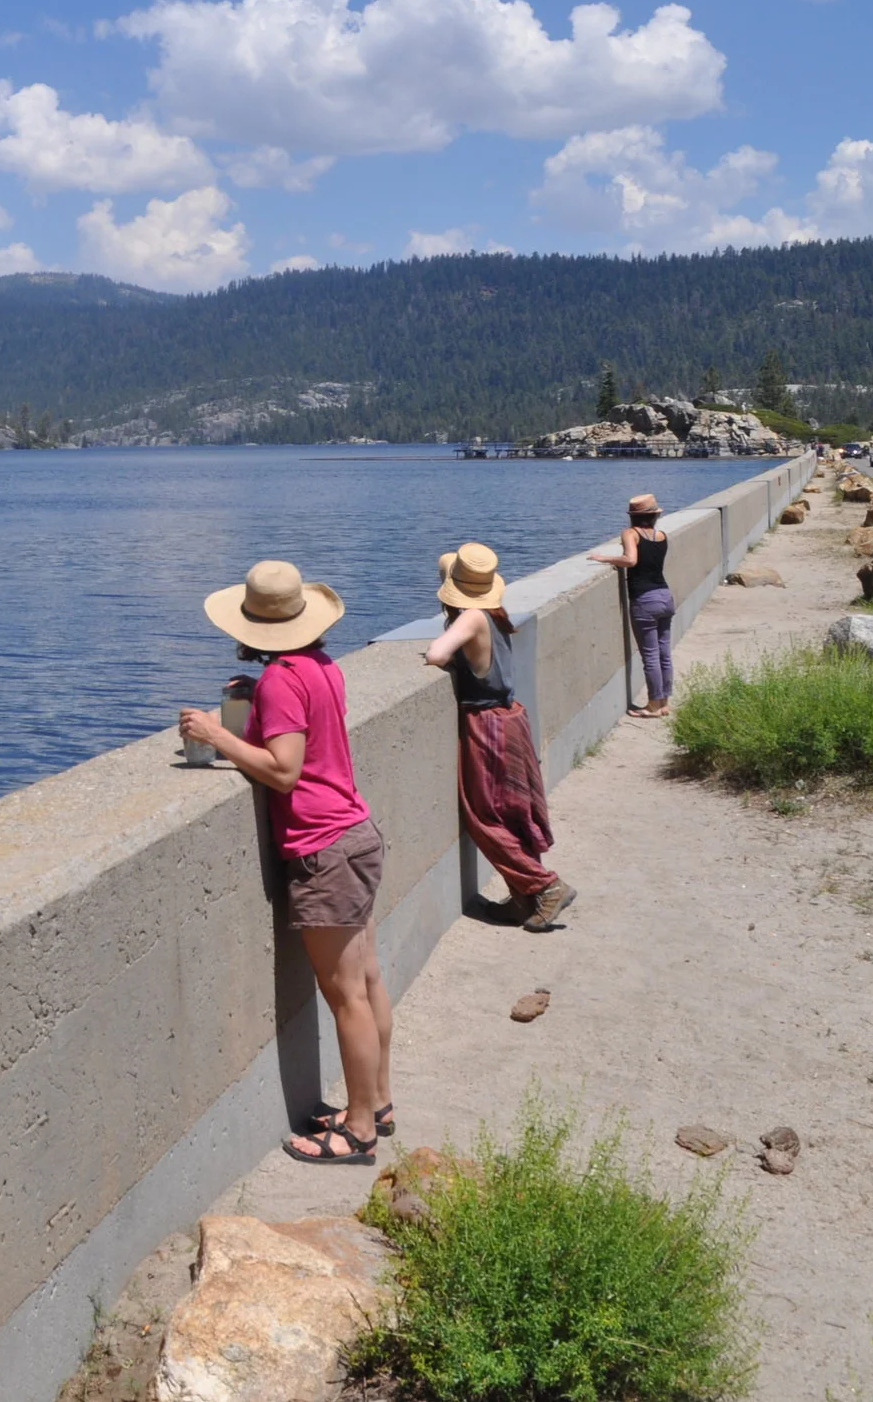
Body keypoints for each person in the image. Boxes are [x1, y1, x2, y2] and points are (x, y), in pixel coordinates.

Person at [178, 560, 394, 1166]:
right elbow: (307, 726)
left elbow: (283, 769)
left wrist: (217, 735)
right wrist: (258, 703)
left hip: (324, 846)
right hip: (356, 831)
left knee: (345, 991)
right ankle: (376, 1101)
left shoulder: (279, 681)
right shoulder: (319, 668)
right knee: (369, 980)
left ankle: (357, 1133)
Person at [425, 544, 576, 933]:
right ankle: (523, 897)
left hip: (486, 722)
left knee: (485, 816)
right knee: (513, 812)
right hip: (510, 718)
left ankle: (546, 886)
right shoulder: (492, 614)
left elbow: (437, 654)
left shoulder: (472, 617)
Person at [591, 493, 673, 717]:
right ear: (655, 515)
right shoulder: (662, 535)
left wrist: (604, 558)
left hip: (645, 599)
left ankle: (653, 705)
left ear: (633, 517)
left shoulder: (630, 533)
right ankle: (664, 702)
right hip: (665, 595)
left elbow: (631, 560)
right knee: (664, 653)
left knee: (650, 655)